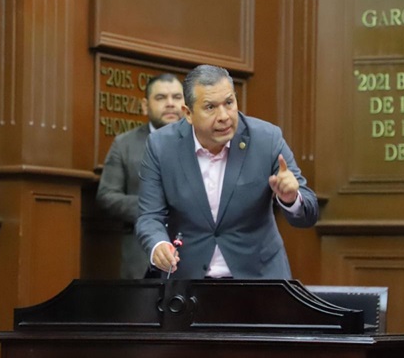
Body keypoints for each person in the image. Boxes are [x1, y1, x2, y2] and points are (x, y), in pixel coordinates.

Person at [136, 64, 319, 279]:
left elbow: (308, 213)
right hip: (189, 280)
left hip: (258, 279)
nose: (224, 116)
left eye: (229, 103)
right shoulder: (161, 146)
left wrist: (291, 199)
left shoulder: (267, 139)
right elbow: (149, 216)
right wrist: (158, 245)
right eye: (210, 107)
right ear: (188, 113)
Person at [96, 73, 185, 279]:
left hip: (192, 257)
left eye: (177, 97)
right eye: (161, 97)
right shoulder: (124, 144)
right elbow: (106, 196)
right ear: (145, 105)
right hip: (141, 259)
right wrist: (153, 208)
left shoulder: (202, 142)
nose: (170, 103)